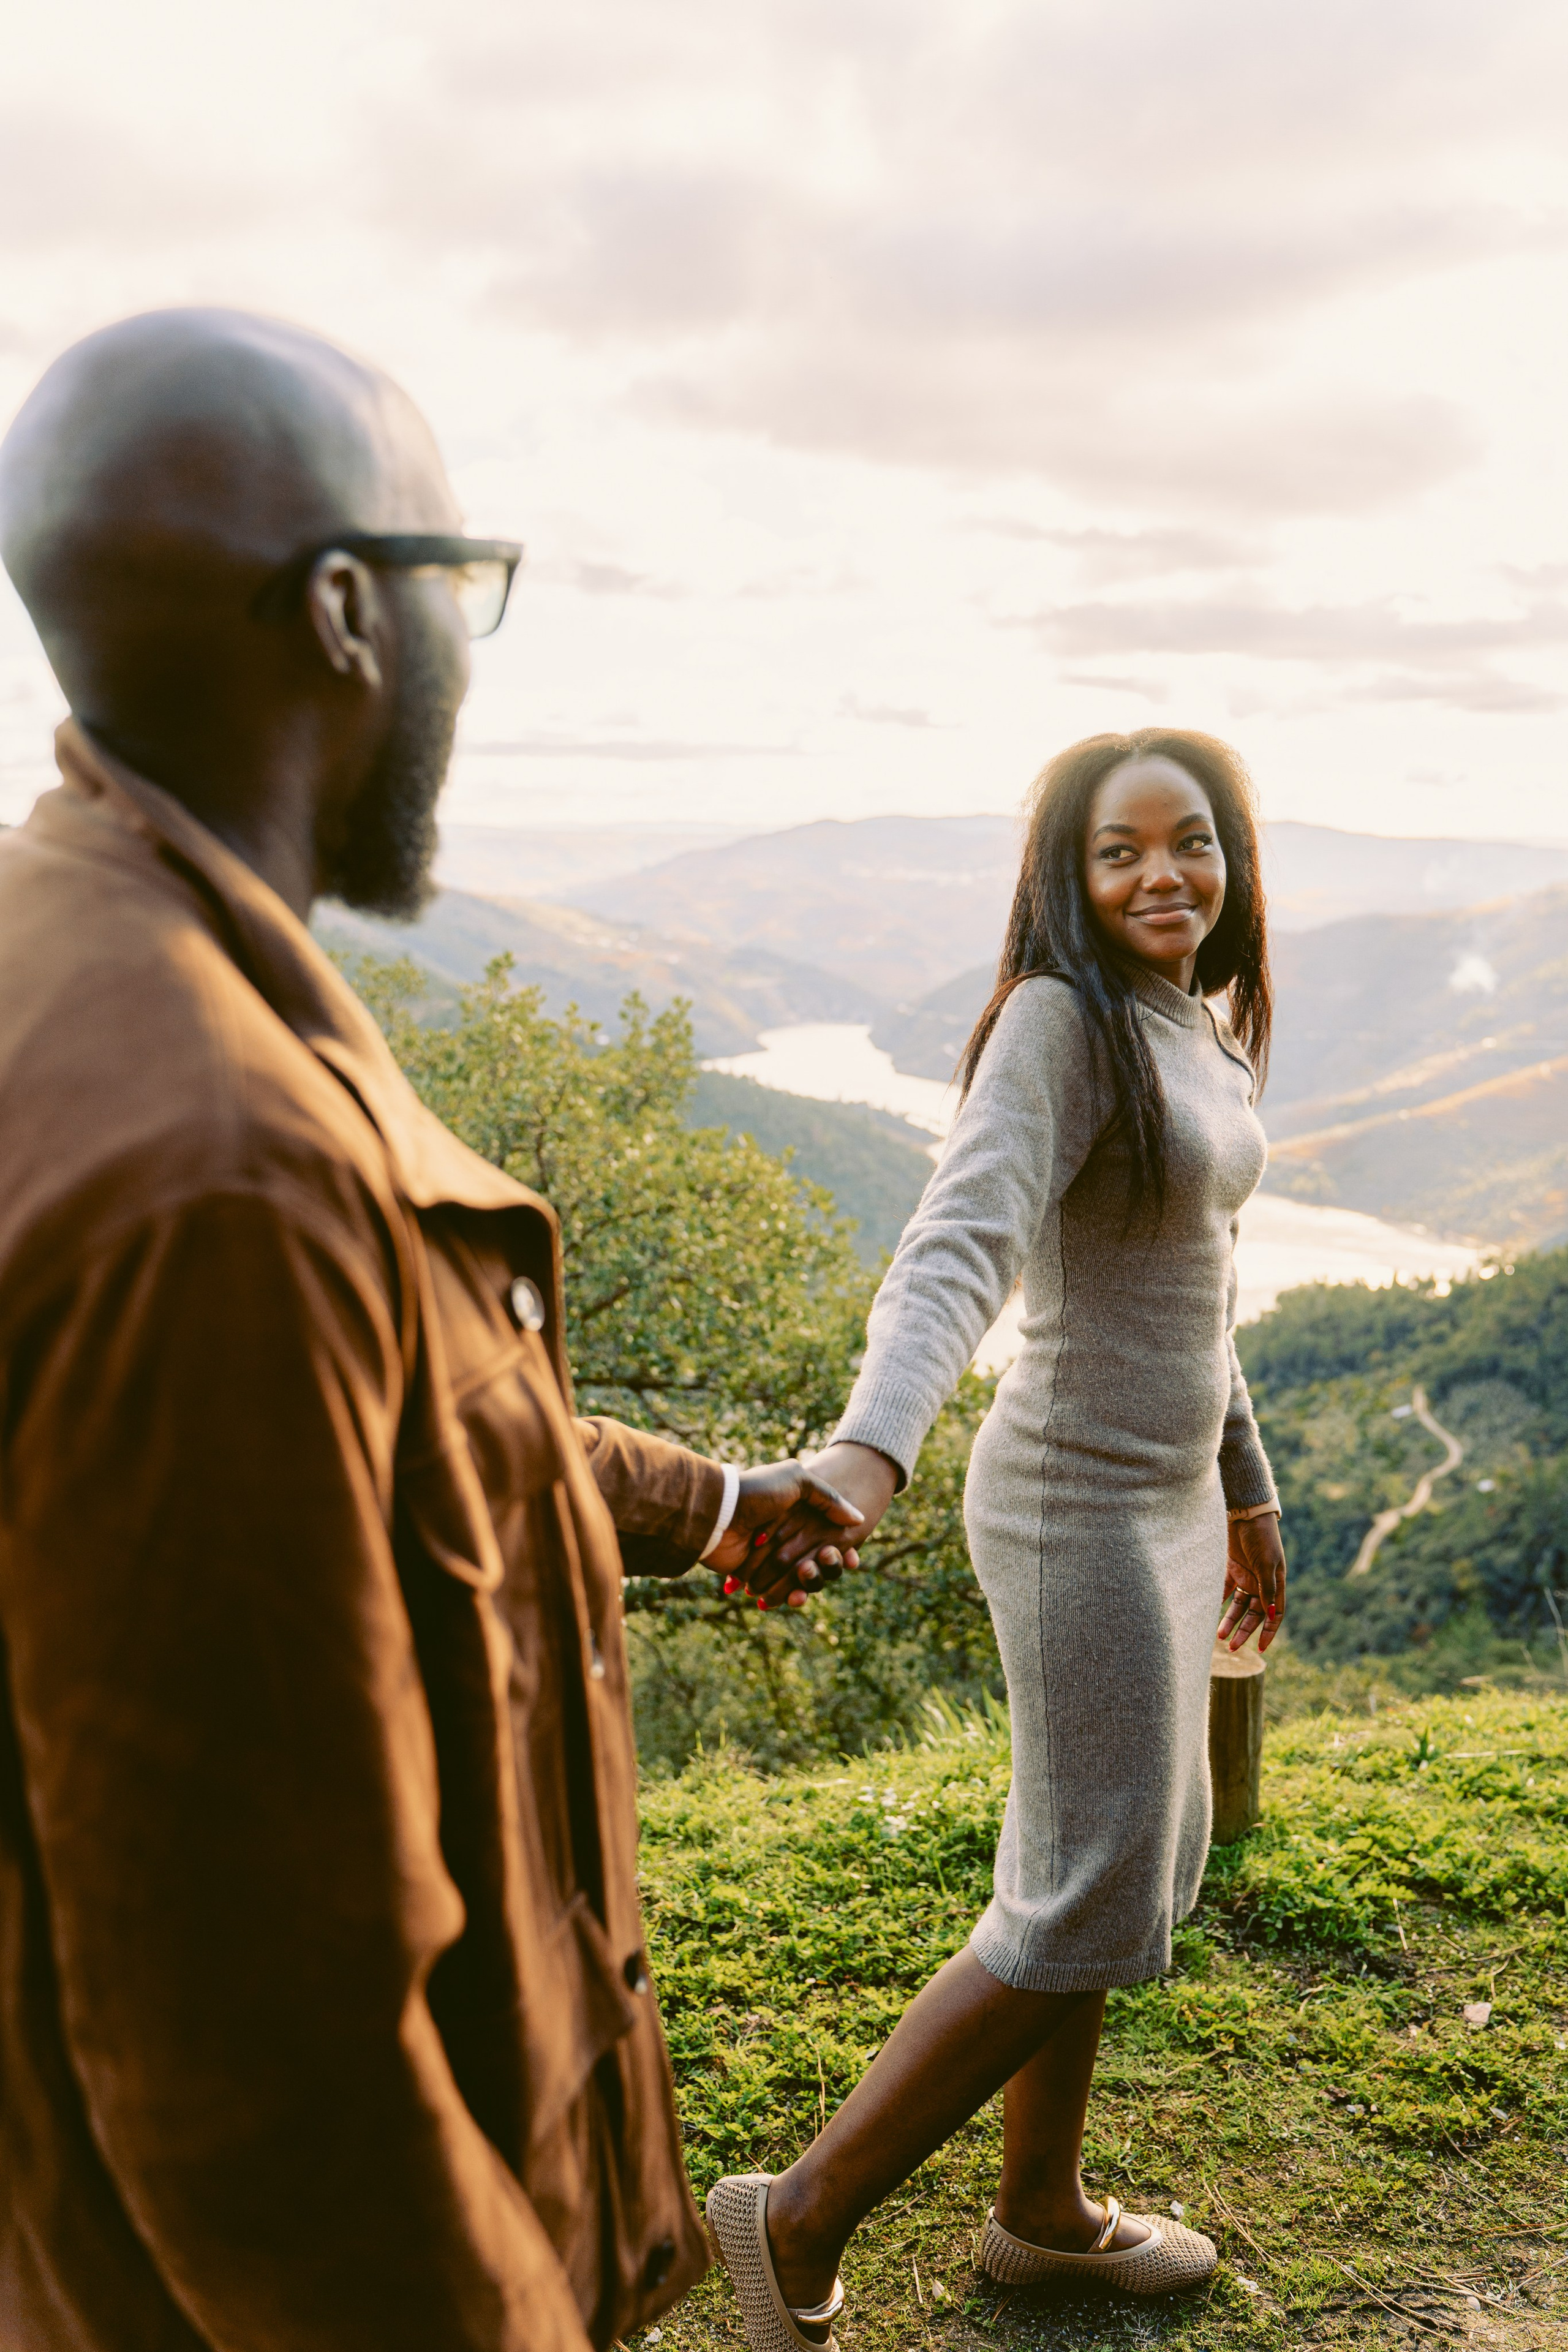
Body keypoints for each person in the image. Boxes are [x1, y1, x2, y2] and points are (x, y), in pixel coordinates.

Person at [0, 307, 861, 2352]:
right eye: (463, 585)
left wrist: (715, 1497)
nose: (474, 657)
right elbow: (267, 2057)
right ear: (344, 614)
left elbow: (385, 1424)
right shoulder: (219, 1170)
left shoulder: (86, 951)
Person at [714, 729, 1289, 2343]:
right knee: (1092, 1887)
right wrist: (863, 1457)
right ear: (1071, 878)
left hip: (1172, 1499)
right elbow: (957, 1242)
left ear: (1231, 859)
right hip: (1072, 1504)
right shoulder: (1062, 1022)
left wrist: (1245, 1488)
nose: (1163, 874)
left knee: (1115, 1871)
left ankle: (1042, 2216)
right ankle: (800, 2213)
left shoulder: (1201, 1026)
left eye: (1192, 842)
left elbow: (1203, 1294)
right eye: (1121, 852)